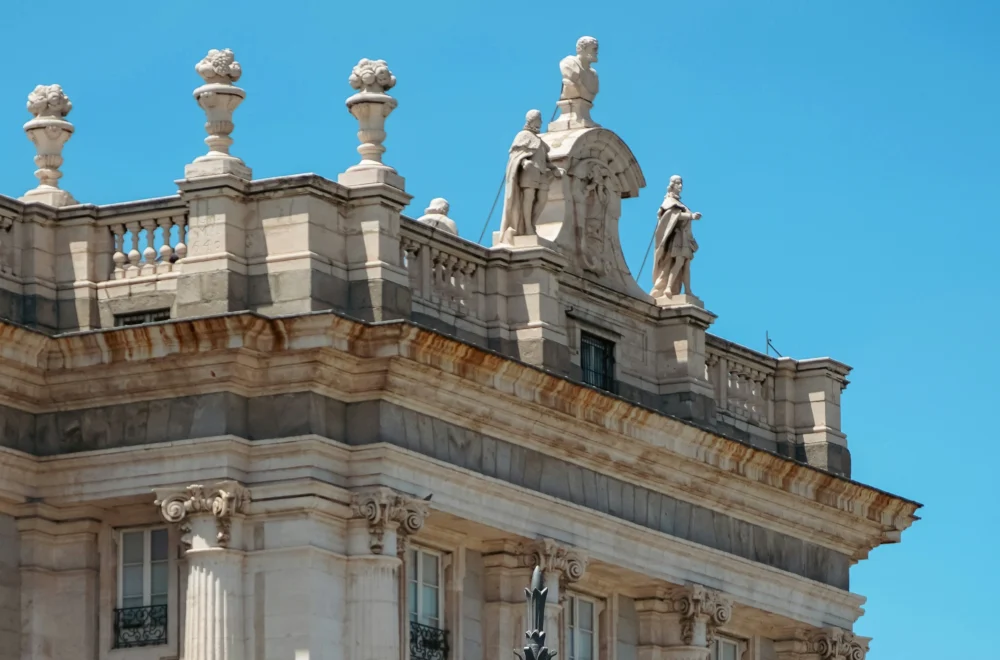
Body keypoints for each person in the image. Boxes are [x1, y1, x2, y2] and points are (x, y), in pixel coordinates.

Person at [498, 110, 563, 244]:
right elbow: (516, 154)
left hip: (541, 173)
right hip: (529, 172)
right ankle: (527, 226)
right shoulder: (523, 135)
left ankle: (531, 223)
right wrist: (523, 161)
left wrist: (554, 169)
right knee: (529, 198)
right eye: (539, 119)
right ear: (533, 120)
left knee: (542, 199)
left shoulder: (539, 140)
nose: (541, 122)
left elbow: (546, 160)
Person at [651, 175, 702, 298]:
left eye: (681, 183)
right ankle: (668, 288)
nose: (680, 186)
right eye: (678, 183)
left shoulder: (679, 203)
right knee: (679, 262)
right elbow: (673, 215)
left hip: (685, 237)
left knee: (686, 265)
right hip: (677, 237)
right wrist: (691, 216)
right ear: (672, 185)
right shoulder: (669, 201)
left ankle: (688, 291)